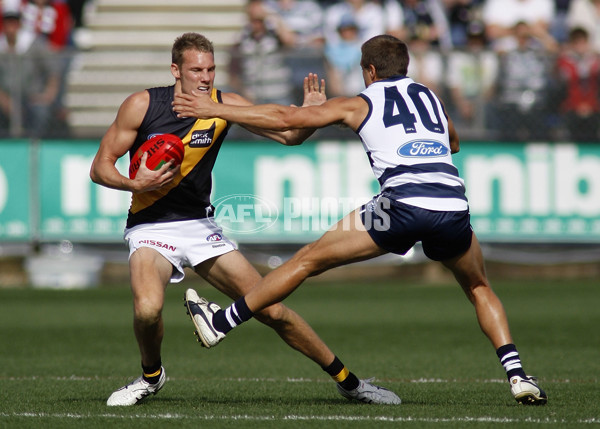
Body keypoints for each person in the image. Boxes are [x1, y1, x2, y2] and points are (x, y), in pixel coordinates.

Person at [171, 34, 548, 406]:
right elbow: (453, 143)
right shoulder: (431, 97)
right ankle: (518, 377)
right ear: (406, 67)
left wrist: (215, 109)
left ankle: (221, 323)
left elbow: (287, 119)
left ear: (369, 70)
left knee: (307, 260)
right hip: (451, 205)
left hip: (400, 207)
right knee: (479, 287)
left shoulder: (359, 103)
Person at [89, 32, 400, 407]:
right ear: (176, 70)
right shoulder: (142, 104)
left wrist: (310, 113)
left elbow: (290, 137)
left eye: (211, 69)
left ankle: (351, 383)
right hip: (150, 226)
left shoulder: (226, 105)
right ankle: (151, 376)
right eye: (196, 70)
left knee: (272, 309)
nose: (205, 77)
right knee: (148, 309)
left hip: (200, 227)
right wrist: (132, 181)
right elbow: (99, 167)